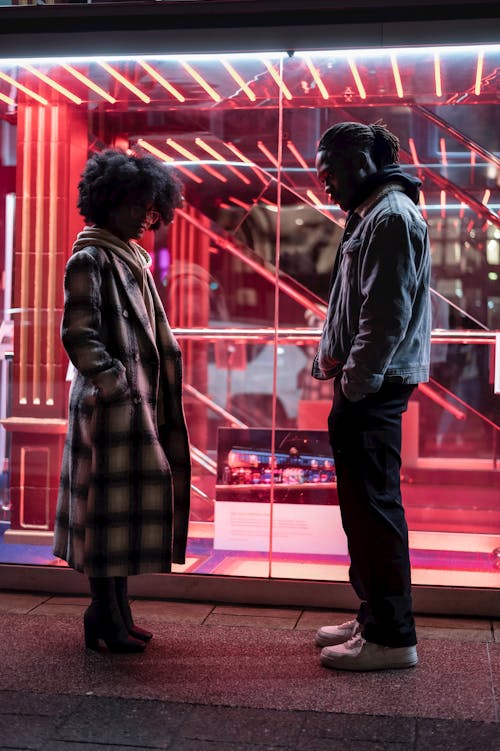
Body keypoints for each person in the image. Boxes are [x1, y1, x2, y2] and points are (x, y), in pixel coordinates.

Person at [53, 149, 191, 653]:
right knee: (106, 516)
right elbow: (79, 334)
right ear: (108, 203)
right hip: (110, 411)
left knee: (121, 516)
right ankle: (105, 614)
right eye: (135, 204)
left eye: (149, 205)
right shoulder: (91, 257)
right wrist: (117, 386)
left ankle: (115, 612)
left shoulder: (129, 257)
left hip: (134, 406)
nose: (144, 215)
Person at [312, 121, 431, 671]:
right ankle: (374, 616)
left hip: (373, 388)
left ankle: (390, 635)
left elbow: (384, 317)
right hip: (368, 384)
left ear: (361, 162)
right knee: (365, 510)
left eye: (330, 169)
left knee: (374, 510)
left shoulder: (390, 217)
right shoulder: (375, 213)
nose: (323, 181)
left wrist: (354, 385)